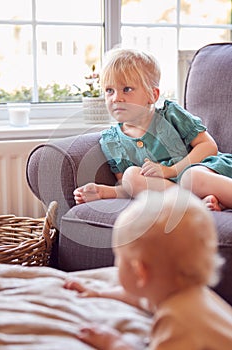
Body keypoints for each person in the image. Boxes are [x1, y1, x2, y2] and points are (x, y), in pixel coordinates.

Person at [65, 188, 232, 349]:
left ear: (140, 271)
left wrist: (113, 343)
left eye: (120, 257)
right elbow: (140, 298)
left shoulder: (176, 321)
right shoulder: (182, 293)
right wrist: (98, 293)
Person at [74, 48, 232, 211]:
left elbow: (208, 146)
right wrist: (104, 192)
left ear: (153, 95)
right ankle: (197, 204)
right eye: (109, 90)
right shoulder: (112, 142)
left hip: (206, 171)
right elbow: (130, 189)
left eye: (127, 89)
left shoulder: (171, 115)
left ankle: (208, 198)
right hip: (172, 191)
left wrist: (171, 170)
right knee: (131, 176)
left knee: (191, 177)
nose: (116, 98)